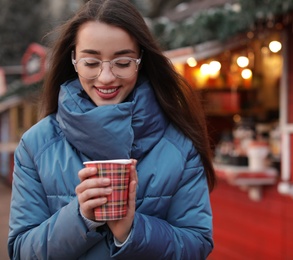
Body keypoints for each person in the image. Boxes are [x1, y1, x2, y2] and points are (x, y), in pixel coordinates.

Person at [8, 0, 216, 259]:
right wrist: (80, 218)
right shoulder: (36, 145)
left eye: (122, 62)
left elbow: (196, 244)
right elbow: (21, 251)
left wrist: (132, 230)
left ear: (141, 61)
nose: (106, 77)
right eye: (91, 63)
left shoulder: (179, 146)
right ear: (73, 60)